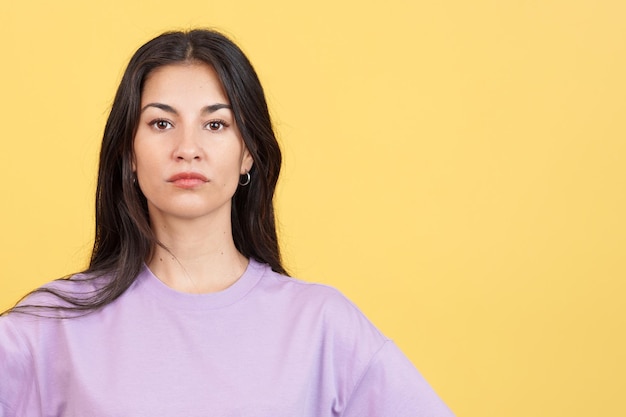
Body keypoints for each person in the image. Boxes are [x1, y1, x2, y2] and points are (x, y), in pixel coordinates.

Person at [0, 29, 454, 416]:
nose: (187, 147)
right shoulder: (49, 327)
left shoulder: (321, 326)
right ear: (128, 155)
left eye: (215, 125)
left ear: (248, 152)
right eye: (161, 124)